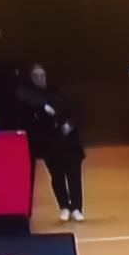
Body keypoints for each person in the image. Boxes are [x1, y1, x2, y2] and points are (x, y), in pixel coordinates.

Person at [17, 63, 85, 222]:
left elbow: (76, 112)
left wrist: (69, 124)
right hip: (50, 143)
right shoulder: (32, 98)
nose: (39, 79)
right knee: (57, 177)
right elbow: (25, 103)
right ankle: (64, 206)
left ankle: (77, 208)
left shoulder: (62, 92)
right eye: (36, 76)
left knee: (74, 176)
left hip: (69, 142)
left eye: (42, 75)